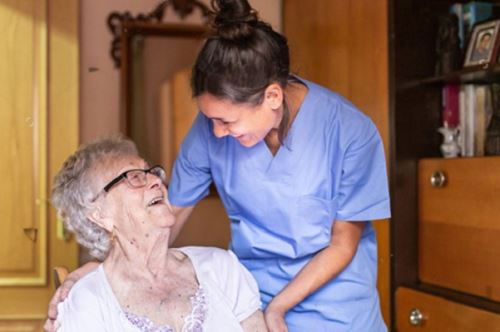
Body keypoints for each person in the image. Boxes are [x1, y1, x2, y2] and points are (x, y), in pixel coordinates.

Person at [47, 0, 391, 331]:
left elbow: (343, 244)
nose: (215, 132)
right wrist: (105, 271)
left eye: (227, 121)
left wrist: (280, 307)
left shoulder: (351, 133)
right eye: (209, 118)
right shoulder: (210, 130)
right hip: (249, 298)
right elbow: (169, 216)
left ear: (272, 97)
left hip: (336, 309)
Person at [46, 137, 268, 331]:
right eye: (133, 177)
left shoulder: (221, 268)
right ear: (99, 215)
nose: (156, 181)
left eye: (151, 172)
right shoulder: (88, 302)